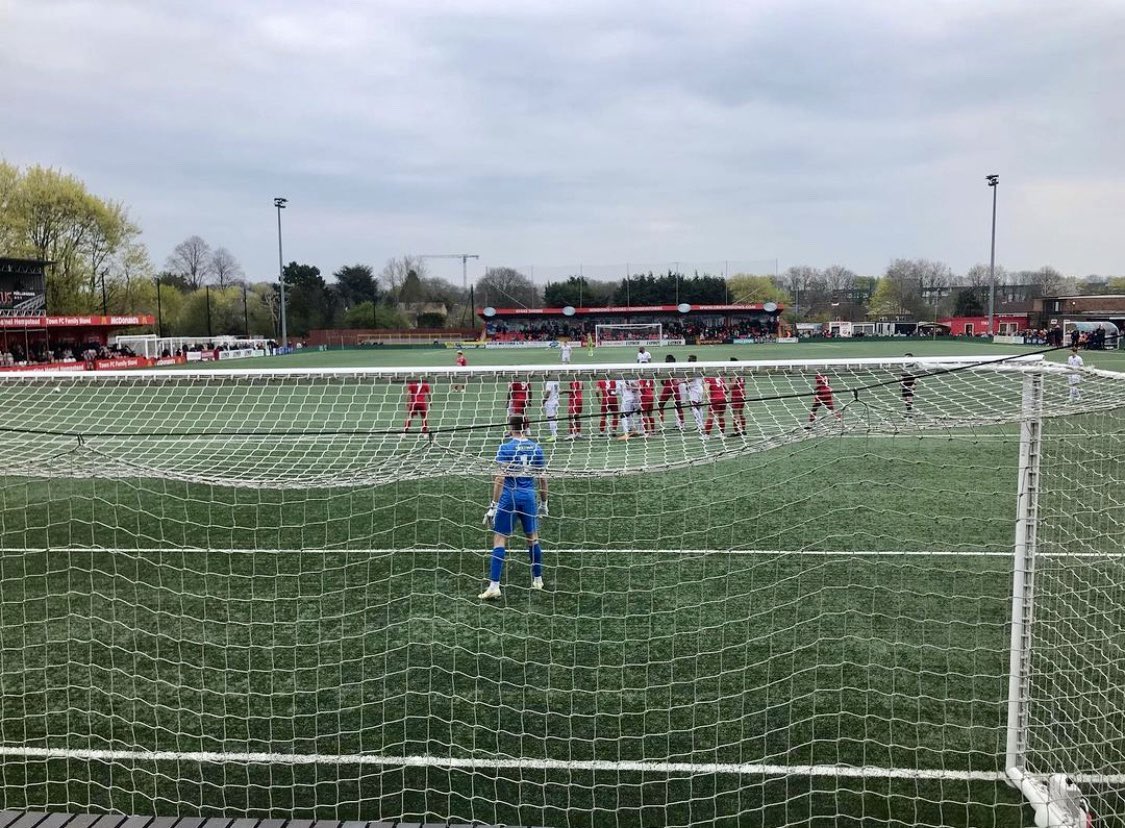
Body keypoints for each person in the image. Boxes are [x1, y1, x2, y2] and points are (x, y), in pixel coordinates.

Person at [480, 415, 548, 599]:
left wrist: (493, 506)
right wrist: (544, 503)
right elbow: (542, 478)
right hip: (528, 498)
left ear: (511, 427)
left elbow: (500, 478)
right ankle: (537, 579)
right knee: (533, 538)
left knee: (500, 539)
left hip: (509, 497)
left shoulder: (505, 447)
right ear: (526, 428)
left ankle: (494, 586)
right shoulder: (536, 448)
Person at [658, 354, 684, 430]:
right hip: (675, 387)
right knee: (678, 406)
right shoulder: (677, 367)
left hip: (668, 387)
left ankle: (661, 425)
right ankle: (682, 424)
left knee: (660, 405)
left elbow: (663, 381)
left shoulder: (666, 368)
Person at [728, 359, 746, 436]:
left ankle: (738, 431)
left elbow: (732, 385)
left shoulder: (734, 373)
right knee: (741, 413)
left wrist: (727, 388)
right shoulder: (741, 374)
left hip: (736, 396)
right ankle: (743, 429)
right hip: (742, 395)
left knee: (736, 414)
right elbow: (744, 384)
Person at [543, 377, 561, 442]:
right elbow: (559, 391)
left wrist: (544, 400)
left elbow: (548, 392)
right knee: (553, 418)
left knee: (551, 418)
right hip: (555, 401)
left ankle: (554, 435)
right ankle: (554, 434)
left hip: (550, 402)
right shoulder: (556, 381)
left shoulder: (549, 382)